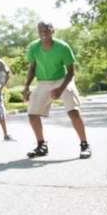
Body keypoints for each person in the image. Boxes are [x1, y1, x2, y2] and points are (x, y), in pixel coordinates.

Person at [22, 21, 91, 159]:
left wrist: (60, 89)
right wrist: (26, 86)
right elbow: (32, 67)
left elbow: (71, 72)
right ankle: (41, 145)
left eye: (47, 30)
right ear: (38, 31)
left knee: (73, 111)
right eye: (40, 30)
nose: (43, 33)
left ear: (52, 30)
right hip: (43, 81)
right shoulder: (34, 48)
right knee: (32, 113)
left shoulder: (63, 47)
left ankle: (85, 145)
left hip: (63, 79)